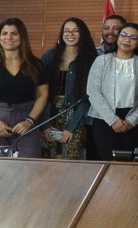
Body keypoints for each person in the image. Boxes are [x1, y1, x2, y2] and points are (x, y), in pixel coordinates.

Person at [0, 18, 49, 158]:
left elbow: (43, 94)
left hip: (25, 122)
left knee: (28, 167)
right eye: (4, 33)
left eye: (14, 33)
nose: (8, 38)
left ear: (22, 37)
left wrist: (29, 121)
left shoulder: (35, 65)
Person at [40, 17, 97, 160]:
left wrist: (72, 127)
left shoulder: (90, 59)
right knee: (47, 161)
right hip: (49, 114)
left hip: (77, 116)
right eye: (66, 31)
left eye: (75, 31)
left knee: (73, 162)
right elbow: (39, 93)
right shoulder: (49, 56)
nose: (70, 34)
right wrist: (44, 125)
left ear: (82, 34)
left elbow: (88, 97)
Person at [87, 22, 138, 160]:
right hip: (104, 119)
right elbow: (93, 91)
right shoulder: (102, 61)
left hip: (131, 121)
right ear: (117, 38)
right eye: (123, 35)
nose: (127, 40)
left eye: (133, 37)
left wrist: (132, 120)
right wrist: (112, 120)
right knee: (109, 163)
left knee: (130, 165)